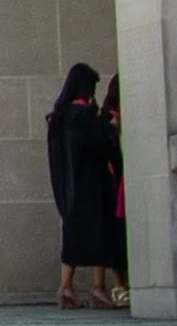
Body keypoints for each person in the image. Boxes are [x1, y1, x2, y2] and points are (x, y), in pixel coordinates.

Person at [46, 63, 120, 309]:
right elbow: (101, 145)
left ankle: (66, 286)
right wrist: (110, 126)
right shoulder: (83, 115)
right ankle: (99, 288)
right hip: (91, 184)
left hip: (67, 186)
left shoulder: (59, 117)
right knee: (100, 232)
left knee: (73, 235)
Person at [101, 75, 130, 306]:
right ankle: (119, 285)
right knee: (119, 234)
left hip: (124, 181)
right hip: (117, 183)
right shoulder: (108, 118)